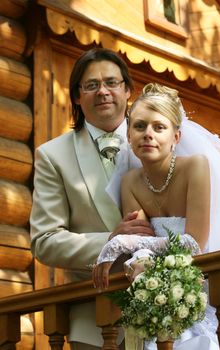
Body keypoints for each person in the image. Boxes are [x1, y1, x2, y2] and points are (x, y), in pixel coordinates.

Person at [93, 83, 220, 349]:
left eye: (159, 127)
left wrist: (120, 243)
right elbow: (141, 240)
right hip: (165, 295)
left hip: (209, 288)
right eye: (140, 126)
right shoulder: (130, 182)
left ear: (176, 137)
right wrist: (139, 264)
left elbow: (193, 244)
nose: (148, 134)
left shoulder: (196, 166)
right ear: (129, 136)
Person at [29, 48, 155, 350]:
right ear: (76, 96)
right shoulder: (52, 156)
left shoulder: (162, 140)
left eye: (112, 82)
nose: (103, 92)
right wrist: (112, 240)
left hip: (166, 313)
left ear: (128, 90)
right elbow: (44, 240)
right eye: (91, 85)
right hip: (96, 323)